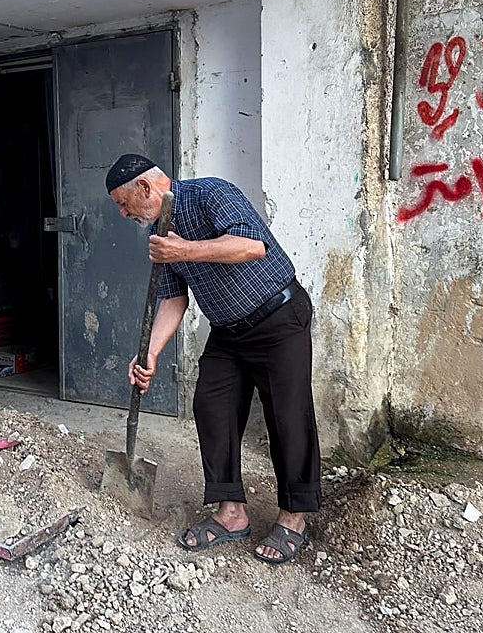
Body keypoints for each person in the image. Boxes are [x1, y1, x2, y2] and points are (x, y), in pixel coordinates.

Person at [105, 153, 321, 565]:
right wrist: (148, 354)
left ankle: (294, 516)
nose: (121, 212)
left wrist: (185, 249)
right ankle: (231, 513)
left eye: (122, 202)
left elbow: (250, 246)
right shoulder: (160, 232)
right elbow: (172, 298)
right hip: (228, 332)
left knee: (288, 415)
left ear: (145, 188)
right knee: (211, 405)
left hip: (278, 317)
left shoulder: (209, 193)